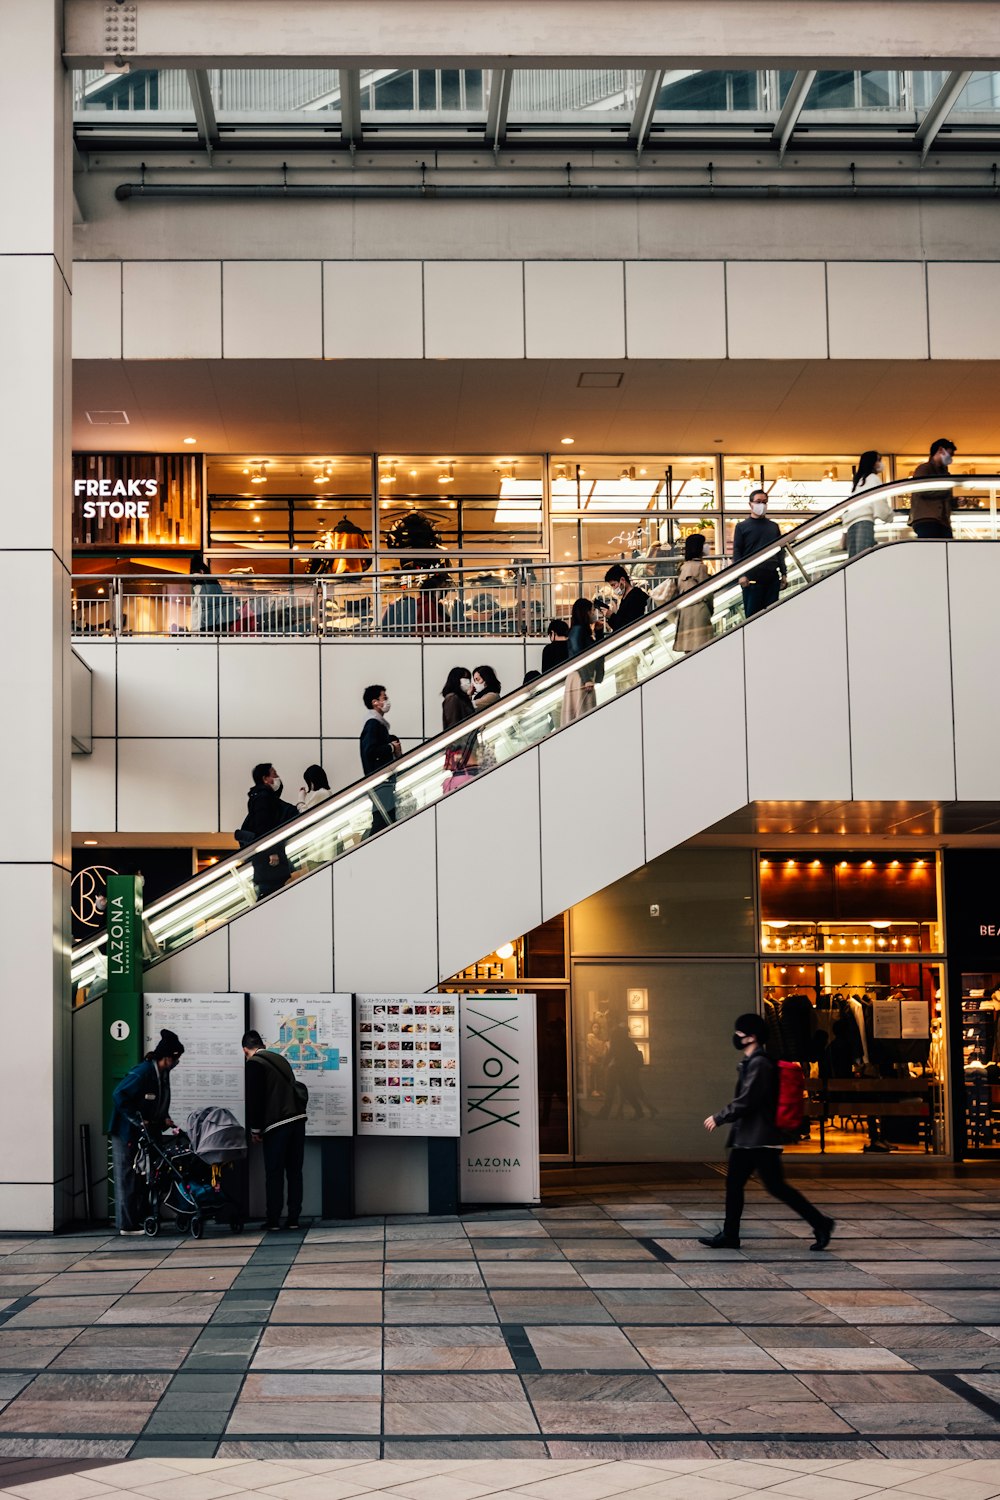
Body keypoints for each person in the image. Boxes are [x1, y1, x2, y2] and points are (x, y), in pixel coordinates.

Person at [699, 1013, 834, 1252]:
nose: (736, 1036)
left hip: (757, 1138)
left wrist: (719, 1117)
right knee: (753, 1185)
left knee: (767, 1186)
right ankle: (731, 1234)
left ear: (751, 1037)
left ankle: (820, 1223)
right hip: (753, 1137)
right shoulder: (753, 1062)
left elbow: (748, 1099)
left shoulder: (760, 1063)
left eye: (740, 1032)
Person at [108, 1029, 184, 1235]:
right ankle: (128, 1225)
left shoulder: (162, 1075)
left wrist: (163, 1120)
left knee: (145, 1177)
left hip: (146, 1132)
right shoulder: (143, 1072)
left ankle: (141, 1218)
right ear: (167, 1057)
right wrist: (139, 1120)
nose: (177, 1063)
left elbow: (156, 1103)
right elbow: (119, 1095)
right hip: (127, 1133)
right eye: (176, 1058)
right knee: (128, 1176)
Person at [242, 1029, 307, 1232]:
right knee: (295, 1172)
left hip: (277, 1125)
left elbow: (256, 1099)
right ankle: (294, 1218)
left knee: (274, 1173)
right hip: (297, 1120)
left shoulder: (254, 1064)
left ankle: (273, 1220)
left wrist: (255, 1129)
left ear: (246, 1050)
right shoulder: (279, 1059)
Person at [240, 764, 299, 898]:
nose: (278, 777)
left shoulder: (262, 796)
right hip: (269, 861)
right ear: (265, 779)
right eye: (274, 774)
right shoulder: (263, 798)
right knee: (271, 895)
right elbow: (264, 826)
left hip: (266, 861)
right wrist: (272, 851)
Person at [653, 532, 714, 653]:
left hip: (685, 612)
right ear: (699, 548)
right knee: (702, 649)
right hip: (699, 612)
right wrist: (711, 609)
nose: (707, 547)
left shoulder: (683, 567)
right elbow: (707, 593)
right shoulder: (701, 567)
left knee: (689, 650)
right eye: (704, 544)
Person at [732, 489, 787, 620]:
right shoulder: (742, 527)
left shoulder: (773, 526)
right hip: (751, 579)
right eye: (758, 502)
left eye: (764, 502)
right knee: (752, 617)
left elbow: (780, 551)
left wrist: (784, 573)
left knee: (772, 616)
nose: (761, 505)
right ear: (750, 504)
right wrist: (741, 575)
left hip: (772, 577)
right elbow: (737, 550)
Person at [360, 685, 401, 833]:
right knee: (382, 822)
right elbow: (370, 751)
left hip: (381, 783)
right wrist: (390, 747)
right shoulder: (373, 724)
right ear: (375, 702)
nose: (387, 701)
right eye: (384, 698)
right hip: (381, 782)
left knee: (383, 820)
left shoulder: (377, 724)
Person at [562, 597, 603, 725]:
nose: (593, 614)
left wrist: (599, 633)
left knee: (581, 716)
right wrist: (586, 679)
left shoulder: (581, 631)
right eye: (591, 611)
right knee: (584, 717)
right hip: (581, 679)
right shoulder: (578, 630)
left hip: (583, 679)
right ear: (585, 612)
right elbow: (577, 655)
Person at [847, 451, 893, 556]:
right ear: (872, 463)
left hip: (851, 524)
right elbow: (879, 502)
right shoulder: (873, 479)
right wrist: (890, 516)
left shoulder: (858, 482)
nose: (881, 463)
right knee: (863, 557)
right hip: (864, 522)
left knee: (853, 560)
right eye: (879, 460)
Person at [910, 438, 957, 539]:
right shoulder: (924, 469)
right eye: (950, 454)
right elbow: (922, 490)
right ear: (940, 450)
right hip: (927, 519)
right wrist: (945, 491)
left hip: (941, 521)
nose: (951, 457)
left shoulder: (945, 473)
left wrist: (956, 502)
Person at [441, 666, 478, 792]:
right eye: (465, 678)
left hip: (467, 751)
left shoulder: (460, 698)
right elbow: (453, 725)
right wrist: (460, 749)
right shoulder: (452, 698)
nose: (468, 681)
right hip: (462, 752)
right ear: (456, 680)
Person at [604, 564, 650, 632]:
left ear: (622, 580)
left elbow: (627, 624)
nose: (613, 588)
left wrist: (611, 616)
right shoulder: (625, 598)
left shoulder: (635, 597)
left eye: (614, 585)